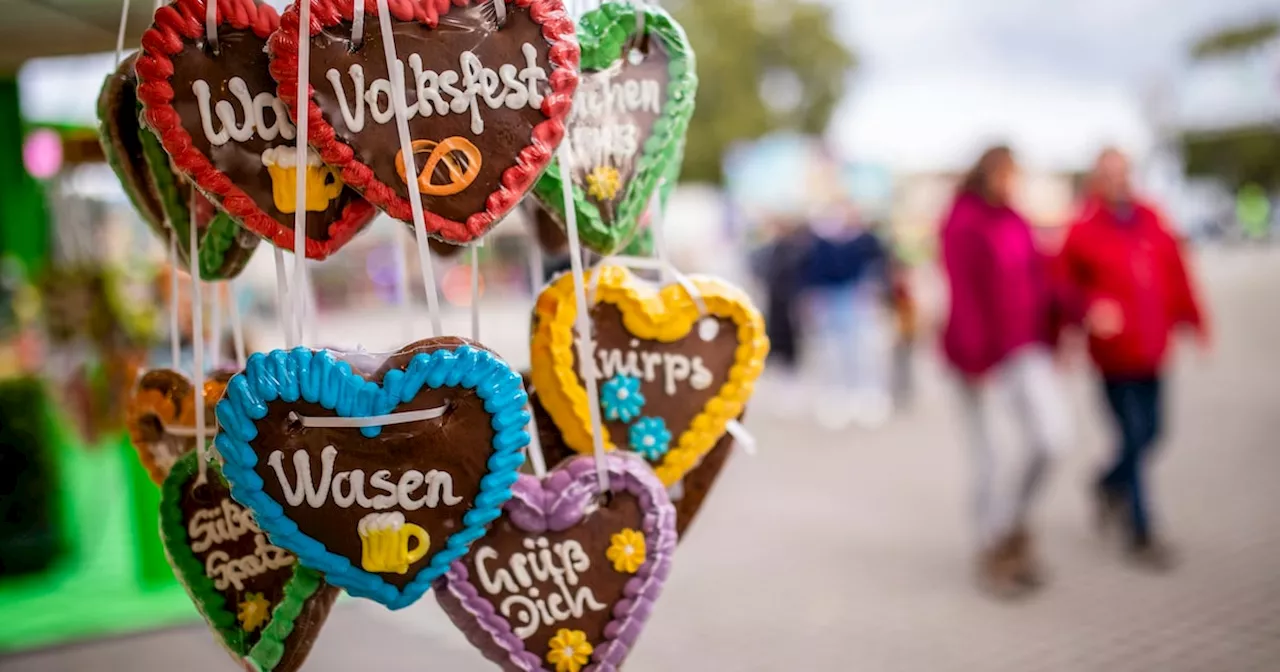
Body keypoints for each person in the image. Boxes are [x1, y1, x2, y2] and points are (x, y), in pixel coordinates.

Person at [1058, 148, 1209, 570]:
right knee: (1132, 434)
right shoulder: (1083, 228)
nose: (1117, 181)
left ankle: (1106, 483)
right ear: (1096, 180)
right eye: (1108, 174)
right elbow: (1063, 288)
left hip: (1153, 346)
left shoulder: (1151, 218)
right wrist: (1087, 310)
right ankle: (1141, 531)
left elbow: (1177, 272)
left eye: (1122, 173)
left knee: (1154, 434)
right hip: (1114, 354)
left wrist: (1196, 322)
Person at [940, 146, 1071, 598]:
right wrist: (976, 360)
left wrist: (1070, 317)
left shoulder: (1015, 220)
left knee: (1053, 439)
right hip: (979, 359)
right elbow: (965, 295)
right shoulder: (962, 220)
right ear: (989, 173)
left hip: (1025, 348)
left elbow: (1039, 279)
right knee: (990, 458)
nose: (1012, 183)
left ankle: (1015, 522)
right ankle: (992, 545)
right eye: (1008, 175)